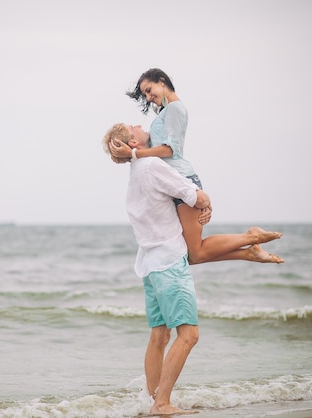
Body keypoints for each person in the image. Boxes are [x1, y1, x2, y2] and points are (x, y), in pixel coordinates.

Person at [109, 68, 283, 265]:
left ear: (162, 81)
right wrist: (122, 153)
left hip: (182, 180)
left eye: (149, 90)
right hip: (173, 184)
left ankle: (251, 237)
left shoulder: (175, 108)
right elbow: (148, 147)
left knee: (195, 253)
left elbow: (169, 150)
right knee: (190, 255)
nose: (148, 97)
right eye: (145, 94)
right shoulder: (166, 111)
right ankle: (249, 253)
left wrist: (132, 153)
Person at [102, 122, 211, 415]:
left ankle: (152, 401)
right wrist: (206, 199)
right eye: (132, 126)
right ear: (133, 142)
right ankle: (161, 403)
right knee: (189, 335)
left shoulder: (137, 171)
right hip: (168, 262)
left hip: (150, 264)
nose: (139, 124)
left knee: (159, 336)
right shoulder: (150, 165)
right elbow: (193, 196)